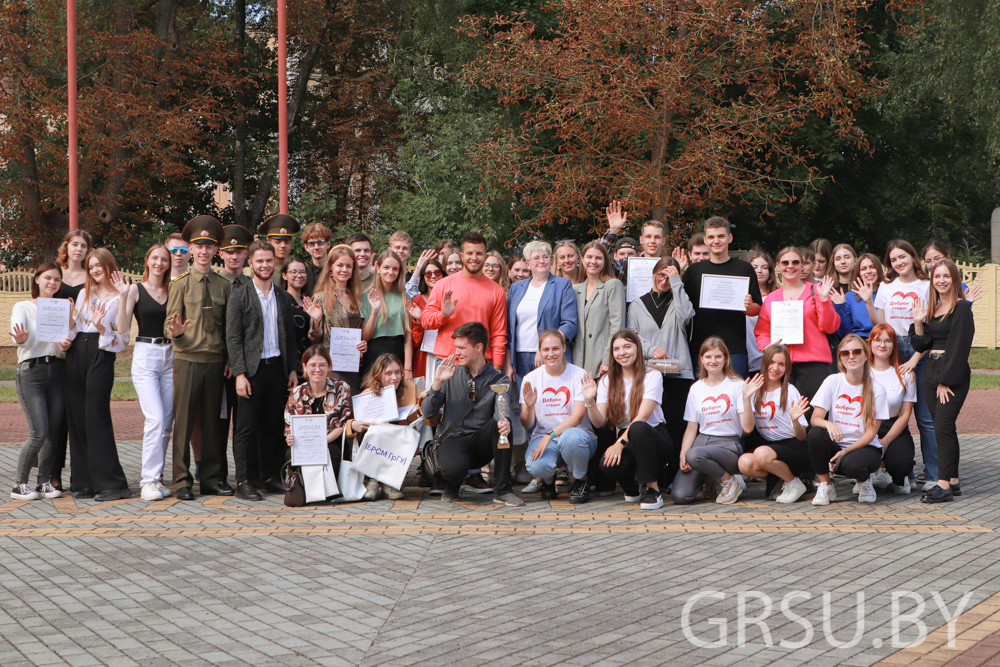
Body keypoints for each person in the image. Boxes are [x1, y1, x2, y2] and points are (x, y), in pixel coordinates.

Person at [165, 216, 233, 501]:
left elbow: (230, 328)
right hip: (188, 359)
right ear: (190, 250)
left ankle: (211, 478)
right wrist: (177, 332)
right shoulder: (180, 284)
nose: (203, 251)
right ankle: (182, 480)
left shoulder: (223, 284)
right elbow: (169, 321)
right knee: (183, 423)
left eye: (208, 246)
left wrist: (230, 359)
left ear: (216, 250)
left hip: (216, 361)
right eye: (198, 246)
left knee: (212, 422)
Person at [227, 239, 301, 501]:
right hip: (252, 372)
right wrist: (240, 373)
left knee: (272, 427)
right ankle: (244, 480)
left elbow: (290, 337)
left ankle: (268, 476)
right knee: (246, 429)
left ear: (275, 263)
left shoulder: (283, 296)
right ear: (251, 263)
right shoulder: (240, 295)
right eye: (259, 261)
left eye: (269, 260)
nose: (265, 265)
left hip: (276, 370)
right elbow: (233, 338)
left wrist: (292, 369)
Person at [421, 322, 523, 506]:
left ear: (478, 348)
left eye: (461, 348)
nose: (456, 352)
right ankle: (451, 485)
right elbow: (428, 412)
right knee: (454, 469)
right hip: (452, 439)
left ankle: (503, 490)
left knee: (502, 427)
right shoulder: (450, 374)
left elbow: (504, 406)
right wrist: (436, 383)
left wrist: (505, 420)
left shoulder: (499, 379)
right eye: (456, 347)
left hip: (479, 443)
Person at [582, 329, 673, 510]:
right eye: (616, 349)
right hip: (628, 437)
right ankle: (632, 490)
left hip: (654, 437)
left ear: (638, 349)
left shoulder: (652, 375)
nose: (621, 352)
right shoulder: (608, 380)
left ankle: (653, 491)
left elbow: (643, 417)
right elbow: (600, 422)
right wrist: (589, 401)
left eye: (627, 346)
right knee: (606, 464)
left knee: (638, 427)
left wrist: (619, 443)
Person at [110, 244, 174, 501]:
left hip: (170, 355)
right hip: (146, 355)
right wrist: (124, 295)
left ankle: (157, 480)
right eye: (155, 258)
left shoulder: (173, 289)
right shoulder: (135, 289)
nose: (159, 263)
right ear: (147, 261)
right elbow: (122, 328)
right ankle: (147, 481)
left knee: (167, 423)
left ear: (169, 264)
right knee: (155, 419)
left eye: (164, 259)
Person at [67, 248, 130, 501]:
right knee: (78, 417)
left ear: (108, 267)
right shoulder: (84, 293)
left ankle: (113, 483)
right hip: (76, 351)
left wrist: (103, 325)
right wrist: (66, 335)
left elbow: (123, 335)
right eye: (90, 266)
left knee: (96, 415)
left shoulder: (119, 296)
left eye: (98, 266)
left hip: (101, 352)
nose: (94, 270)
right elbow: (74, 325)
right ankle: (84, 481)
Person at [872, 239, 936, 488]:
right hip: (893, 348)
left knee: (925, 419)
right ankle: (902, 470)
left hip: (920, 349)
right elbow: (881, 323)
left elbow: (931, 328)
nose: (899, 263)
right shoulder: (886, 287)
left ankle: (932, 475)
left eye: (903, 257)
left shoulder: (927, 285)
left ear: (913, 257)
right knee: (893, 410)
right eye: (893, 259)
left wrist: (915, 358)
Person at [910, 260, 975, 503]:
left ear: (955, 278)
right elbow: (921, 344)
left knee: (942, 426)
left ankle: (943, 485)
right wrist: (918, 322)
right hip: (930, 371)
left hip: (951, 373)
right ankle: (954, 480)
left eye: (946, 276)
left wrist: (946, 381)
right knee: (943, 426)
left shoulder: (961, 308)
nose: (941, 280)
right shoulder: (934, 307)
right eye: (937, 276)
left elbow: (960, 346)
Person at [8, 263, 73, 500]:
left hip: (56, 371)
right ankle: (19, 484)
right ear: (36, 279)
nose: (52, 283)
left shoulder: (61, 308)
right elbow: (20, 338)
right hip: (31, 372)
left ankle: (43, 482)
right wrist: (22, 339)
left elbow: (61, 346)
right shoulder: (22, 306)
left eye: (57, 280)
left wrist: (65, 345)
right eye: (47, 278)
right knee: (39, 431)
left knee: (53, 432)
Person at [809, 334, 889, 505]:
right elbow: (815, 418)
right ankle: (825, 485)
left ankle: (864, 482)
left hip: (865, 447)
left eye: (856, 351)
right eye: (845, 353)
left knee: (854, 464)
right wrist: (828, 423)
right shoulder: (832, 381)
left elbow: (871, 433)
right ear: (840, 359)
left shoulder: (877, 389)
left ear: (866, 355)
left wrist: (844, 452)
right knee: (815, 434)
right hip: (836, 444)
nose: (851, 356)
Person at [627, 256, 695, 455]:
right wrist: (650, 350)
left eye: (670, 276)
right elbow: (632, 335)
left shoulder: (679, 301)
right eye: (661, 275)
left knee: (676, 425)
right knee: (649, 424)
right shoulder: (637, 305)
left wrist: (677, 282)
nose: (664, 281)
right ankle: (655, 473)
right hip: (648, 373)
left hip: (679, 375)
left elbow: (687, 316)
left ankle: (674, 475)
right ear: (654, 274)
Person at [516, 330, 595, 502]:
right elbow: (527, 424)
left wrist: (549, 435)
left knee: (570, 437)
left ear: (564, 348)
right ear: (539, 351)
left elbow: (577, 417)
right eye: (545, 349)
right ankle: (548, 480)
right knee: (536, 465)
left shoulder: (579, 375)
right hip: (546, 439)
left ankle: (580, 479)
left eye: (555, 348)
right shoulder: (531, 378)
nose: (551, 354)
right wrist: (529, 407)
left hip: (578, 437)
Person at [754, 247, 840, 405]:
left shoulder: (817, 291)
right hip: (781, 364)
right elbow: (762, 331)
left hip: (813, 363)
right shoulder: (772, 298)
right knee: (782, 412)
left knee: (809, 413)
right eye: (785, 262)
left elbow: (830, 327)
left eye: (795, 262)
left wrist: (824, 299)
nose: (790, 266)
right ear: (778, 266)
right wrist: (767, 348)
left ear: (803, 266)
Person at [682, 217, 762, 377]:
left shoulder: (744, 268)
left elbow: (756, 308)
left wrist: (748, 306)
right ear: (705, 239)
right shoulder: (693, 271)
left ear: (730, 238)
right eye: (711, 237)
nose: (716, 241)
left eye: (721, 236)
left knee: (737, 396)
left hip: (734, 348)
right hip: (701, 348)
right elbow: (683, 308)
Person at [673, 337, 746, 505]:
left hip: (728, 445)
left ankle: (729, 482)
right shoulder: (696, 388)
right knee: (680, 496)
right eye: (708, 357)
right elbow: (691, 428)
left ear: (726, 359)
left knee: (695, 454)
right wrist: (683, 454)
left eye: (718, 356)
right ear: (701, 359)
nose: (713, 361)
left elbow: (746, 428)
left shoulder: (737, 384)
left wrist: (691, 454)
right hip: (701, 443)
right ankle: (709, 479)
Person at [421, 232, 508, 371]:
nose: (474, 258)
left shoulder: (496, 291)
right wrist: (443, 315)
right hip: (447, 362)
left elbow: (499, 334)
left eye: (479, 253)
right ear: (462, 256)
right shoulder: (443, 285)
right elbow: (425, 321)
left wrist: (497, 369)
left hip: (481, 365)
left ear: (486, 257)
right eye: (470, 253)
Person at [736, 344, 811, 503]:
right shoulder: (754, 390)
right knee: (744, 463)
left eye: (781, 364)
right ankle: (781, 478)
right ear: (764, 363)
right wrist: (746, 398)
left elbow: (801, 436)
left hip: (794, 448)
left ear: (787, 367)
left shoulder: (790, 390)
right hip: (770, 447)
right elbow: (748, 429)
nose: (775, 367)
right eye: (771, 362)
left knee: (761, 453)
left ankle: (793, 483)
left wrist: (795, 420)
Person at [346, 353, 421, 501]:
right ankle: (373, 480)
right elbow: (349, 424)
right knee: (377, 430)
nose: (394, 377)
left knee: (393, 431)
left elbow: (429, 415)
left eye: (397, 372)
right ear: (378, 375)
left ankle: (388, 482)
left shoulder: (410, 388)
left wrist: (426, 400)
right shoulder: (368, 394)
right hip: (374, 445)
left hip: (401, 442)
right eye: (388, 373)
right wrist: (353, 425)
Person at [52, 229, 92, 491]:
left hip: (83, 349)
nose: (78, 249)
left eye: (84, 245)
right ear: (66, 247)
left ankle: (81, 475)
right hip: (56, 350)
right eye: (74, 244)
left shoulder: (92, 276)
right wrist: (57, 339)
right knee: (58, 417)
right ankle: (53, 474)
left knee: (81, 415)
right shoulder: (55, 273)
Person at [505, 240, 578, 381]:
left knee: (551, 400)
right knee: (525, 402)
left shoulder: (562, 285)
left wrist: (546, 347)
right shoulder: (516, 288)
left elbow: (569, 324)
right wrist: (508, 364)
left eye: (545, 257)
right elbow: (509, 329)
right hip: (519, 357)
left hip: (550, 355)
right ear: (528, 264)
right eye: (536, 258)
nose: (542, 261)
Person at [303, 245, 369, 394]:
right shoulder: (321, 297)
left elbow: (358, 331)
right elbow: (314, 338)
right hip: (331, 364)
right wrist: (317, 320)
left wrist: (362, 345)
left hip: (353, 364)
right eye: (340, 265)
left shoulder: (356, 296)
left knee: (350, 406)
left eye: (348, 266)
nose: (344, 270)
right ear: (331, 268)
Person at [284, 345, 352, 484]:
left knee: (330, 453)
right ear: (305, 367)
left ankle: (328, 490)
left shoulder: (342, 388)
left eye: (322, 365)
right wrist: (290, 439)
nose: (317, 369)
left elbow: (342, 424)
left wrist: (321, 443)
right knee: (289, 455)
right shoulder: (297, 393)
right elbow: (290, 426)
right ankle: (300, 488)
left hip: (331, 441)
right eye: (312, 365)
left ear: (329, 367)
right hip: (304, 444)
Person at [867, 324, 916, 494]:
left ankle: (896, 476)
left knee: (901, 465)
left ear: (894, 345)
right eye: (877, 340)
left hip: (893, 426)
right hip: (866, 426)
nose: (882, 345)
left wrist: (886, 441)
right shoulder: (861, 372)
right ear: (870, 344)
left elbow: (904, 415)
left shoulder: (905, 374)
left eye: (888, 340)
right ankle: (871, 473)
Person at [573, 241, 626, 377]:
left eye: (598, 258)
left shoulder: (612, 285)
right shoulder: (576, 290)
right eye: (589, 257)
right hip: (578, 361)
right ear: (582, 260)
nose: (593, 261)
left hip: (602, 360)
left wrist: (608, 359)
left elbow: (617, 326)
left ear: (605, 261)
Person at [360, 250, 413, 382]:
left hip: (398, 349)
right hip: (375, 351)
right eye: (386, 267)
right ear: (377, 268)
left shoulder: (405, 296)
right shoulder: (366, 296)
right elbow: (365, 337)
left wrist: (408, 368)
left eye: (395, 269)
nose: (391, 272)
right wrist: (375, 311)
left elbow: (408, 335)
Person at [408, 258, 444, 386]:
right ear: (423, 277)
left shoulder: (449, 300)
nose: (433, 276)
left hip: (446, 354)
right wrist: (419, 320)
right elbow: (415, 341)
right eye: (428, 273)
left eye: (437, 272)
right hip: (424, 357)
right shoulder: (416, 302)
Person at [832, 250, 877, 340]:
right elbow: (844, 333)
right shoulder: (849, 297)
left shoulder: (887, 292)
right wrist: (840, 306)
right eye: (863, 269)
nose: (868, 271)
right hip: (860, 344)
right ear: (858, 273)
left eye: (872, 267)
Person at [746, 250, 777, 375]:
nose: (759, 271)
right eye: (754, 267)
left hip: (770, 357)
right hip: (746, 355)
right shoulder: (742, 298)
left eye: (764, 267)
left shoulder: (778, 296)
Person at [281, 257, 312, 361]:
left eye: (302, 272)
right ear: (284, 275)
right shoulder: (280, 301)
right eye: (293, 272)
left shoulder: (308, 301)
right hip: (289, 359)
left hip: (308, 359)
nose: (299, 275)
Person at [257, 214, 300, 288]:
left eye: (287, 242)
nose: (283, 246)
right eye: (278, 242)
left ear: (291, 244)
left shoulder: (296, 271)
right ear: (269, 244)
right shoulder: (263, 272)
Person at [301, 222, 332, 297]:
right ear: (306, 247)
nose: (316, 247)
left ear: (328, 244)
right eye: (311, 244)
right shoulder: (304, 274)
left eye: (320, 242)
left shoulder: (337, 270)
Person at [219, 225, 253, 289]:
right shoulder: (214, 284)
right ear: (221, 254)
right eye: (230, 253)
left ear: (245, 253)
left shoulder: (252, 285)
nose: (234, 257)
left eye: (239, 252)